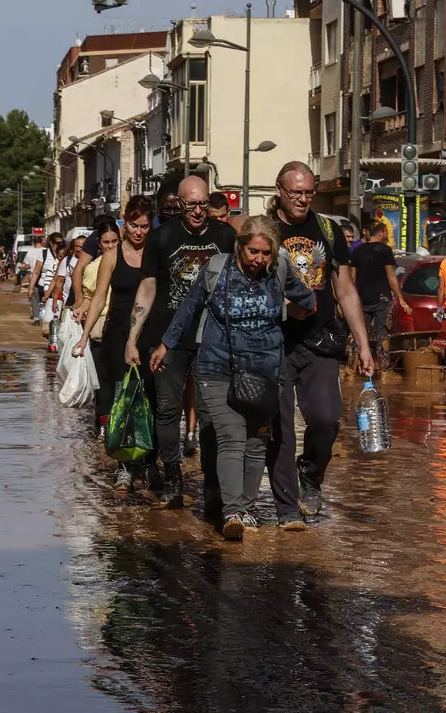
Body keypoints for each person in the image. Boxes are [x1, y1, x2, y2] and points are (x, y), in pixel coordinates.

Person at [150, 216, 316, 539]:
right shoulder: (217, 269)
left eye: (266, 253)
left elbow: (308, 302)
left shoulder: (280, 269)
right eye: (253, 252)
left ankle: (248, 508)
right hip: (217, 367)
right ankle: (232, 513)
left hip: (266, 371)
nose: (259, 260)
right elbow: (189, 308)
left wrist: (294, 309)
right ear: (240, 246)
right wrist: (165, 345)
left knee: (256, 443)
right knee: (231, 436)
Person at [270, 161, 373, 528]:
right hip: (275, 343)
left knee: (326, 418)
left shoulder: (328, 230)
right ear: (279, 190)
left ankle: (311, 475)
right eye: (295, 191)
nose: (302, 198)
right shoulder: (265, 230)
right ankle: (285, 508)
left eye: (308, 192)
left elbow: (345, 290)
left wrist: (363, 346)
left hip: (320, 340)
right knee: (279, 426)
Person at [125, 176, 237, 508]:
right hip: (167, 340)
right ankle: (172, 476)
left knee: (211, 411)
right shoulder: (161, 237)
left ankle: (213, 484)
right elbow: (147, 288)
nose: (198, 211)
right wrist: (133, 338)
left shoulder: (226, 237)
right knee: (168, 409)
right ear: (180, 204)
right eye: (191, 205)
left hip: (213, 340)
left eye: (203, 204)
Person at [73, 195, 154, 490]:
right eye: (134, 225)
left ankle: (148, 460)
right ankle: (124, 466)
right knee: (123, 400)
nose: (139, 232)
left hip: (150, 334)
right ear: (125, 222)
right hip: (117, 334)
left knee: (150, 400)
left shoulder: (156, 253)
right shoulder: (112, 255)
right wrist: (84, 336)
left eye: (145, 226)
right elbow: (98, 298)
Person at [76, 220, 120, 430]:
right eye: (106, 242)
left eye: (114, 241)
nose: (110, 246)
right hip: (99, 327)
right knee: (102, 381)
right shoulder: (93, 269)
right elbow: (90, 297)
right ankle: (104, 425)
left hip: (123, 328)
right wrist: (81, 309)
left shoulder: (131, 262)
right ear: (99, 244)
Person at [350, 219, 410, 367]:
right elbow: (391, 276)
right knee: (382, 334)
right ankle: (384, 371)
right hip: (382, 299)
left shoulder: (357, 251)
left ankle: (351, 370)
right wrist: (401, 299)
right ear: (381, 233)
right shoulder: (385, 250)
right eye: (386, 232)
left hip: (361, 300)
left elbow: (352, 278)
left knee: (357, 333)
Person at [21, 237, 46, 322]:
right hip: (45, 277)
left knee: (35, 299)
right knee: (44, 299)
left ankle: (36, 318)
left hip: (33, 277)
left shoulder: (30, 251)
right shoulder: (46, 251)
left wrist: (22, 267)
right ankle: (43, 316)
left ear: (33, 243)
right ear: (42, 242)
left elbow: (27, 265)